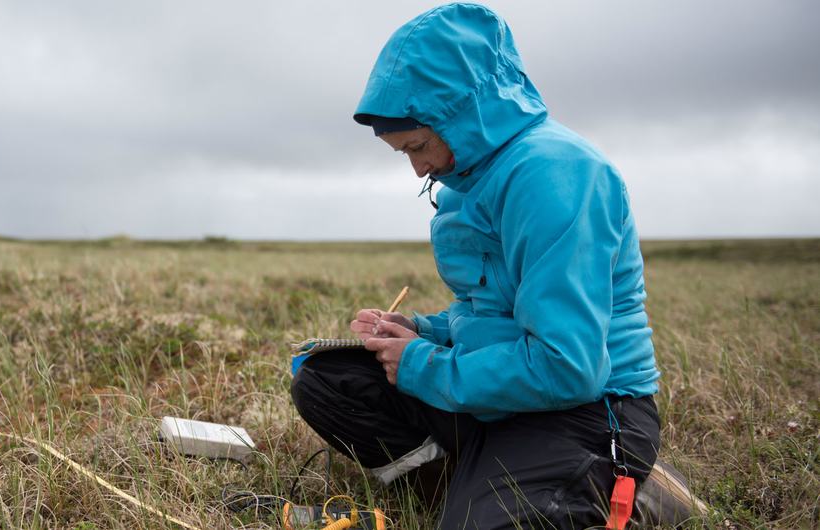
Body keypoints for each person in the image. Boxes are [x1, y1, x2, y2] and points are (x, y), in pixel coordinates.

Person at [290, 3, 701, 528]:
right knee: (326, 379)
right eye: (403, 153)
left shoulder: (555, 176)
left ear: (461, 116)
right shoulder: (468, 176)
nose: (418, 167)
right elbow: (493, 310)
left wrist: (422, 364)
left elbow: (567, 367)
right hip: (504, 398)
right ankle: (466, 484)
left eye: (417, 145)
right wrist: (422, 331)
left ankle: (604, 484)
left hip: (587, 408)